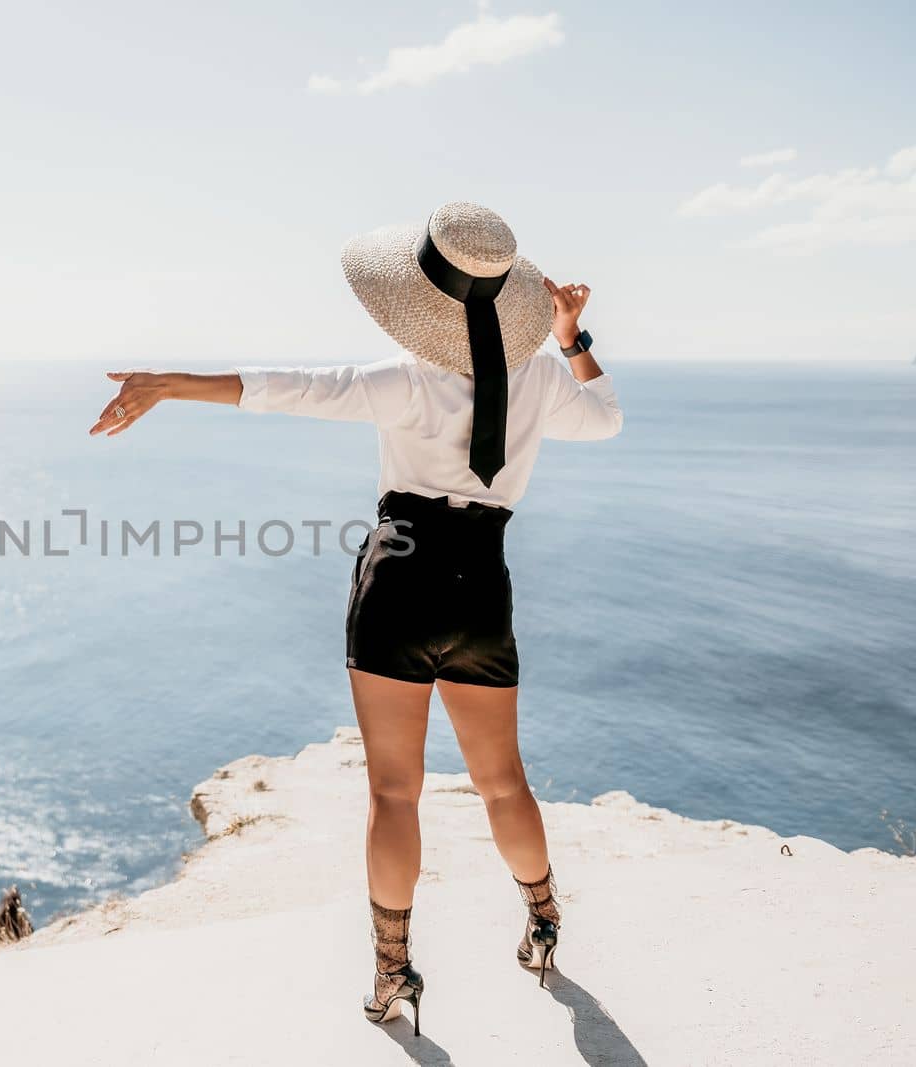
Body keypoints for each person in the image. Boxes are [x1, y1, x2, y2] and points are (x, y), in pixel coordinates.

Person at [87, 202, 622, 1037]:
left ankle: (393, 974)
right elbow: (608, 418)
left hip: (400, 581)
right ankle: (544, 922)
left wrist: (168, 383)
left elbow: (283, 389)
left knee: (393, 791)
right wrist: (570, 335)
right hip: (483, 585)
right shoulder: (545, 376)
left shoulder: (405, 376)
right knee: (503, 781)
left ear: (421, 300)